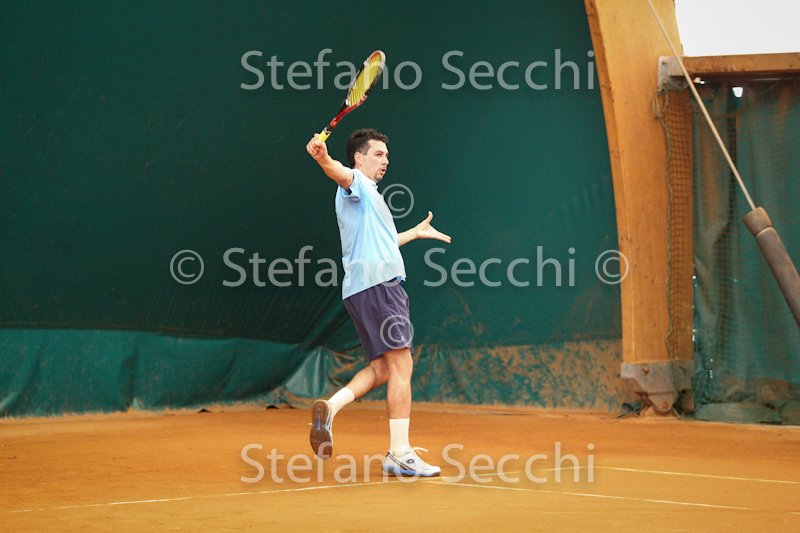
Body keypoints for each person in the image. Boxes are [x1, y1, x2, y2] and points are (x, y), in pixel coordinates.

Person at [305, 128, 451, 477]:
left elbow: (382, 242)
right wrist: (323, 158)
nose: (386, 160)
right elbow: (339, 173)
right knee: (402, 365)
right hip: (381, 286)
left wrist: (414, 233)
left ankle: (331, 407)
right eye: (378, 154)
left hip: (361, 288)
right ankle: (400, 452)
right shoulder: (356, 182)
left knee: (384, 368)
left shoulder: (369, 198)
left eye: (387, 155)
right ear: (359, 158)